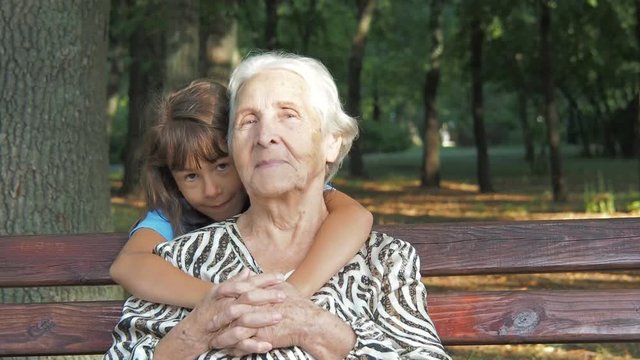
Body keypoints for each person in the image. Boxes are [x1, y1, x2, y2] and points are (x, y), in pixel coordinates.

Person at [105, 52, 450, 359]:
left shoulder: (384, 262)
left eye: (288, 115)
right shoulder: (181, 260)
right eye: (248, 121)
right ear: (233, 147)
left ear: (333, 141)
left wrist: (320, 329)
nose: (265, 134)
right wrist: (192, 335)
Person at [109, 80, 374, 309]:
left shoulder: (278, 196)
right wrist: (218, 296)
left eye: (222, 166)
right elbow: (129, 265)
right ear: (171, 178)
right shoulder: (173, 213)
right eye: (191, 176)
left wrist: (293, 292)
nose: (211, 190)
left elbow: (355, 216)